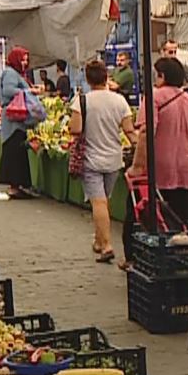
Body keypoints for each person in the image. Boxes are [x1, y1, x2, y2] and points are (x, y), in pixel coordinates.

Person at [122, 57, 188, 267]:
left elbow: (145, 134)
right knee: (183, 219)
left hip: (159, 172)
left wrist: (137, 166)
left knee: (142, 214)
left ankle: (134, 257)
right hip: (186, 170)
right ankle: (183, 259)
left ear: (162, 76)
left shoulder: (154, 98)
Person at [69, 59, 137, 263]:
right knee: (103, 200)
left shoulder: (81, 101)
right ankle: (99, 241)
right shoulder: (119, 101)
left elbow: (75, 129)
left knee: (98, 202)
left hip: (91, 159)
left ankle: (106, 244)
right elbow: (129, 131)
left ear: (88, 80)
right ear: (106, 77)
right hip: (114, 160)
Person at [0, 47, 37, 198]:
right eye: (23, 59)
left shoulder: (18, 74)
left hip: (19, 119)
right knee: (13, 149)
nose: (25, 62)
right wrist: (30, 92)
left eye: (26, 59)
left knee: (18, 150)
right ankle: (14, 187)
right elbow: (8, 91)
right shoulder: (10, 73)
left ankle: (18, 185)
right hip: (13, 119)